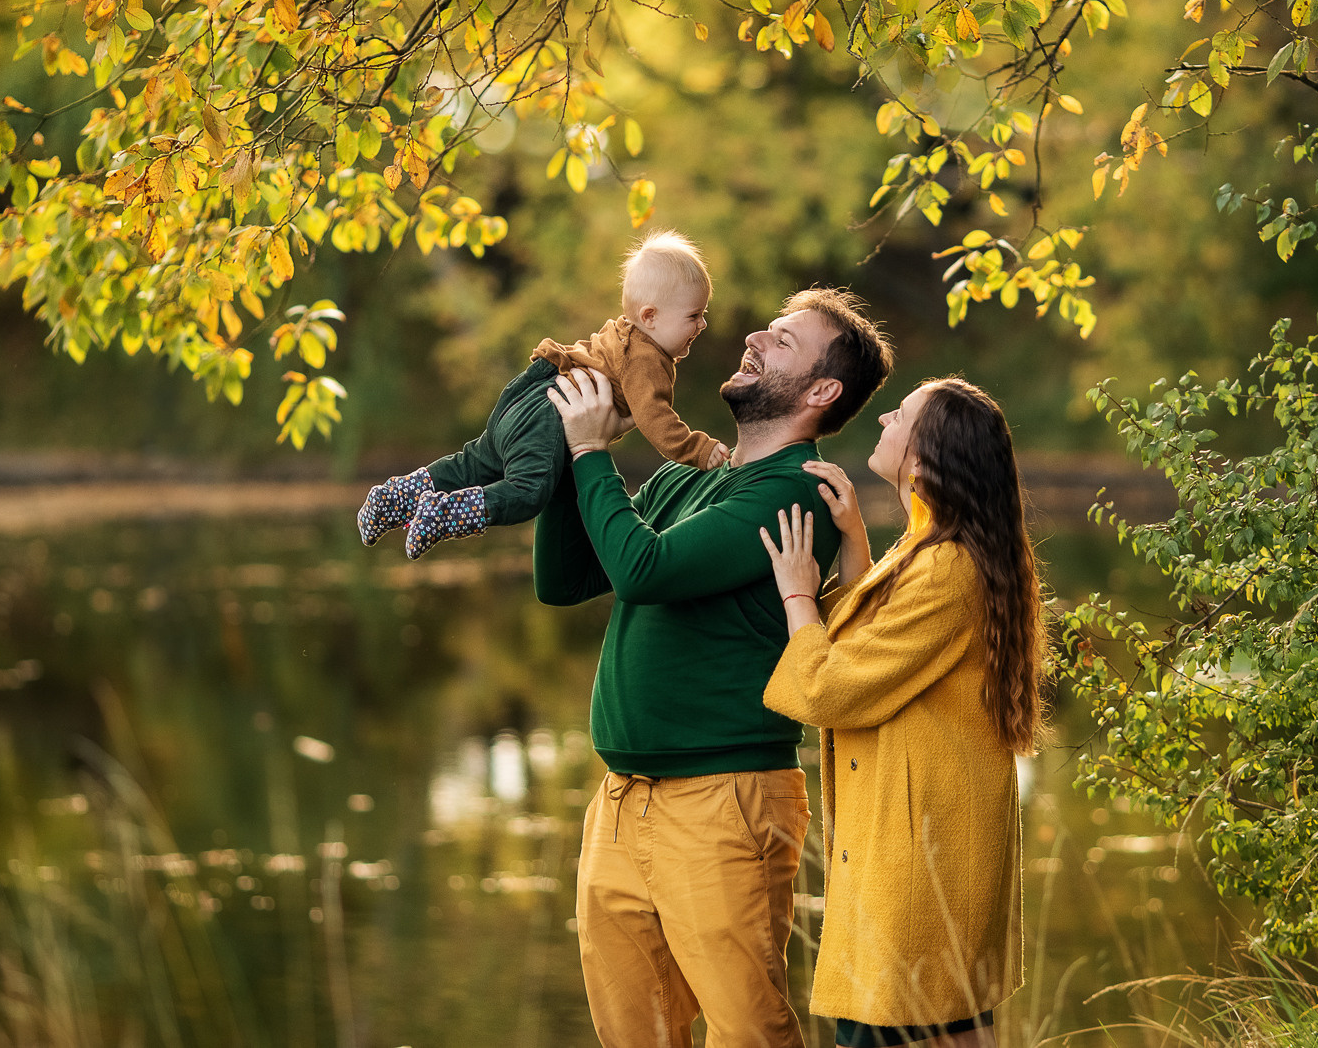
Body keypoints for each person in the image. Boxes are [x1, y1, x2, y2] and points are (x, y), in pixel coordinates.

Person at [535, 288, 894, 1048]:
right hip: (622, 798)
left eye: (786, 340)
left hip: (724, 798)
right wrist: (566, 459)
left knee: (746, 1031)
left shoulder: (794, 489)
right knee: (638, 1032)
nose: (757, 335)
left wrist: (592, 451)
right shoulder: (687, 477)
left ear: (822, 391)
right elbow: (566, 579)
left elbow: (644, 570)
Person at [757, 377, 1043, 1048]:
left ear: (923, 458)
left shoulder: (947, 565)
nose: (884, 414)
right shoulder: (932, 547)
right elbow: (883, 647)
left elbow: (833, 688)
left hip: (919, 875)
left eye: (902, 412)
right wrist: (854, 536)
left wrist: (798, 595)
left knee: (892, 1027)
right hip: (922, 863)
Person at [355, 230, 730, 558]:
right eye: (694, 316)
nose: (703, 324)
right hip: (549, 416)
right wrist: (699, 449)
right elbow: (656, 419)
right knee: (528, 490)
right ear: (650, 317)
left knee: (476, 461)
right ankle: (445, 514)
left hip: (530, 390)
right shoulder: (646, 358)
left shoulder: (622, 333)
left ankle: (397, 496)